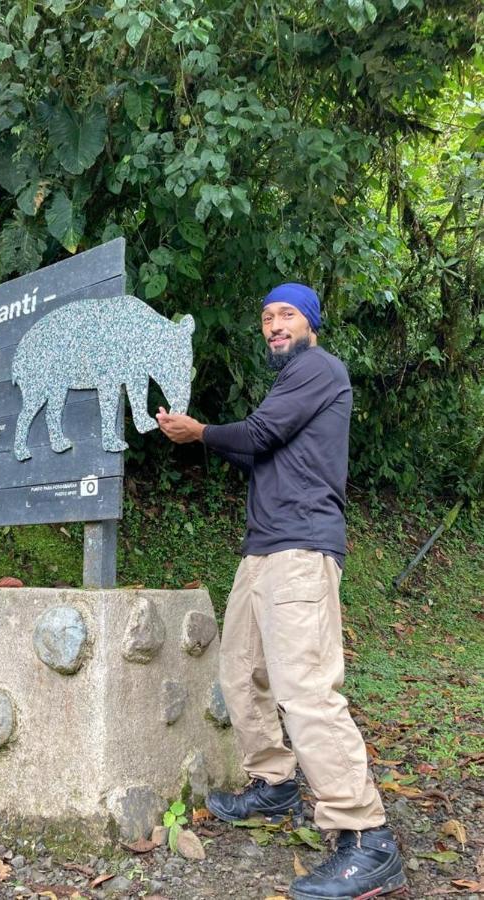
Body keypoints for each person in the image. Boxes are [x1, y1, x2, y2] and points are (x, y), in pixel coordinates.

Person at [156, 283, 406, 900]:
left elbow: (259, 435)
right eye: (266, 316)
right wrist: (218, 438)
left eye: (286, 314)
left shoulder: (318, 368)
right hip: (262, 550)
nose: (273, 325)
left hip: (301, 549)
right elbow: (265, 448)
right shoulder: (290, 382)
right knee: (240, 672)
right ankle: (275, 785)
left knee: (305, 689)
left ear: (311, 323)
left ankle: (366, 836)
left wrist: (202, 432)